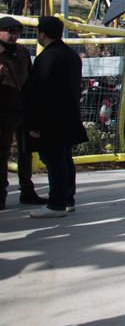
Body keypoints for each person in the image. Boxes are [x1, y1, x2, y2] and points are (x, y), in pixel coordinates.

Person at [24, 17, 87, 218]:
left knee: (54, 161)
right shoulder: (72, 55)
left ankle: (56, 203)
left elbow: (40, 92)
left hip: (50, 118)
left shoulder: (46, 58)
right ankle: (68, 199)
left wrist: (34, 123)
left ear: (42, 34)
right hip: (69, 115)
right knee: (65, 159)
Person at [0, 17, 46, 208]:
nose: (14, 36)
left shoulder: (22, 52)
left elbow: (30, 79)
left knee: (26, 151)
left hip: (23, 108)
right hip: (3, 111)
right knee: (2, 153)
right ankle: (1, 193)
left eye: (17, 33)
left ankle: (27, 190)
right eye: (10, 32)